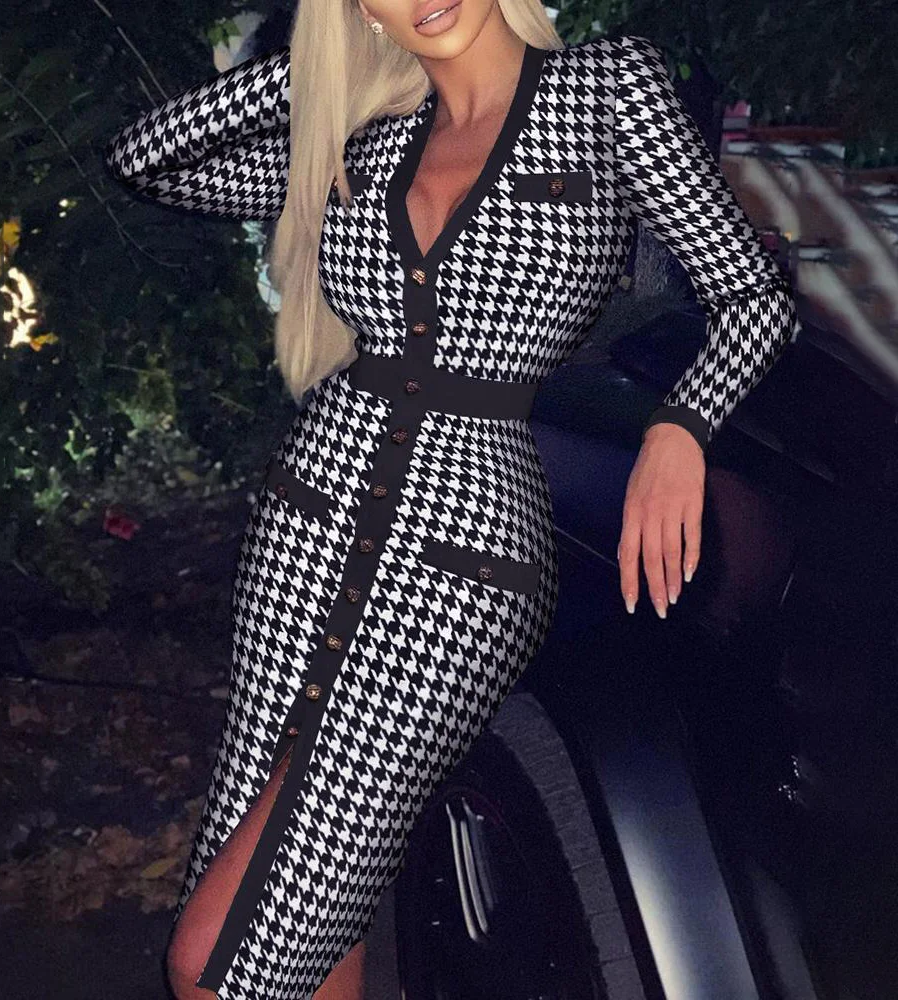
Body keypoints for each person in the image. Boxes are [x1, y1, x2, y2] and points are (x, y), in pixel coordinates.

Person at [102, 0, 799, 997]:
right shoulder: (367, 134)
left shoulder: (608, 92)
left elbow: (752, 296)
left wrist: (680, 428)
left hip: (463, 561)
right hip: (307, 521)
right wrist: (320, 73)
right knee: (306, 904)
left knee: (220, 958)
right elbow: (148, 160)